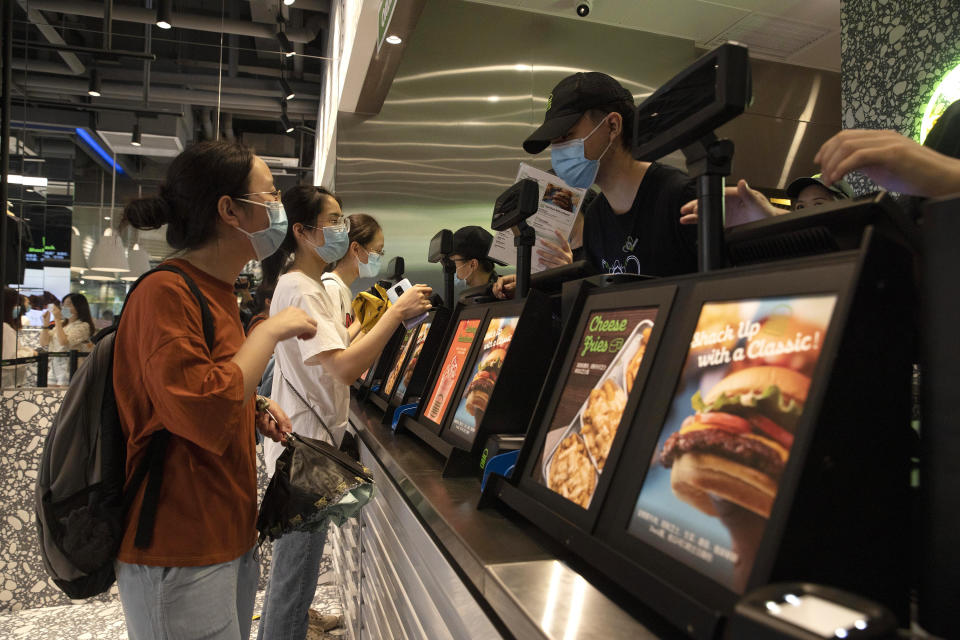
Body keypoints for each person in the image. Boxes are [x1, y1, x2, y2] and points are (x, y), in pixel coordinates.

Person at [112, 140, 317, 640]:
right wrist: (266, 333)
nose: (278, 209)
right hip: (178, 545)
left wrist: (255, 404)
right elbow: (201, 412)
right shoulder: (166, 291)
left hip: (226, 533)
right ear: (229, 209)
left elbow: (211, 387)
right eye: (270, 196)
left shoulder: (216, 292)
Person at [257, 186, 431, 640]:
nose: (341, 228)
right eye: (332, 220)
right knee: (292, 587)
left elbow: (338, 357)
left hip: (309, 447)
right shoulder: (301, 287)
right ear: (301, 231)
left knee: (297, 580)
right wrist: (394, 314)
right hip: (304, 454)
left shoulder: (308, 285)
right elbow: (347, 369)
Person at [322, 213, 385, 343]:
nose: (379, 257)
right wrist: (360, 320)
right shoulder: (331, 288)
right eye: (378, 251)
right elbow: (335, 349)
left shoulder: (344, 290)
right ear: (355, 249)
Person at [38, 292, 94, 385]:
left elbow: (63, 342)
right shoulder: (61, 325)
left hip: (70, 368)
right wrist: (45, 324)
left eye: (68, 304)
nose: (64, 308)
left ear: (78, 307)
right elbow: (44, 342)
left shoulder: (83, 326)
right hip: (54, 366)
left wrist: (57, 320)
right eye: (63, 304)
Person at [2, 288, 33, 388]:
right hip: (7, 384)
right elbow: (9, 359)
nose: (18, 308)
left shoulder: (7, 327)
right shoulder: (5, 328)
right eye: (15, 305)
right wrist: (30, 353)